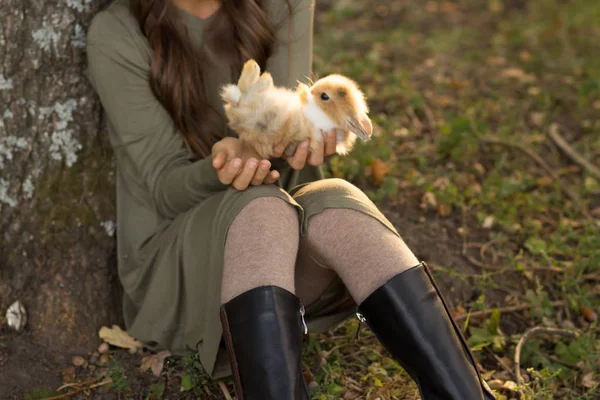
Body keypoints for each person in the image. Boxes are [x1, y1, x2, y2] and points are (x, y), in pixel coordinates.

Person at [86, 0, 496, 398]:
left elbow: (293, 121)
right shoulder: (118, 33)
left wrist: (316, 132)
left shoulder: (283, 3)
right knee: (262, 208)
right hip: (178, 268)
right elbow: (163, 185)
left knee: (339, 204)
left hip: (281, 238)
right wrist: (221, 163)